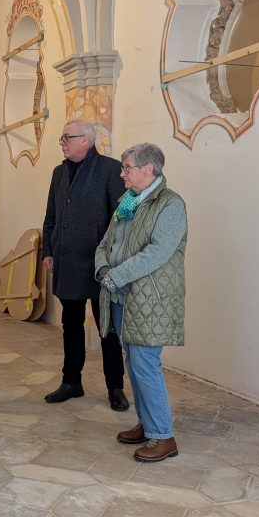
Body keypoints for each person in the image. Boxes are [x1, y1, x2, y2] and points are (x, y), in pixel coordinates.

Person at [95, 143, 187, 463]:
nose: (122, 174)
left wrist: (115, 275)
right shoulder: (128, 201)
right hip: (122, 295)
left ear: (148, 169)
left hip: (150, 298)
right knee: (134, 363)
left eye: (127, 168)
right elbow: (106, 243)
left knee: (146, 363)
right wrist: (103, 269)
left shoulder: (171, 204)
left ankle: (163, 436)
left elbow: (157, 252)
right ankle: (147, 424)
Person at [42, 120, 128, 410]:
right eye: (62, 138)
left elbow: (121, 219)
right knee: (71, 325)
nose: (62, 142)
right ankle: (71, 382)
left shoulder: (110, 169)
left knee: (108, 329)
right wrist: (47, 250)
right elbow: (51, 214)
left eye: (67, 137)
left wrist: (113, 259)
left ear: (86, 140)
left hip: (99, 265)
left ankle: (115, 387)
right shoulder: (59, 172)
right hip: (67, 261)